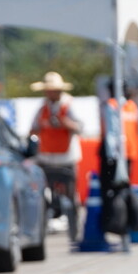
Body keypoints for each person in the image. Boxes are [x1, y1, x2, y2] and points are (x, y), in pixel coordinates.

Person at [29, 71, 83, 240]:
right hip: (46, 158)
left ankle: (75, 233)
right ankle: (43, 233)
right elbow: (32, 129)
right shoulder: (42, 108)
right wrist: (42, 126)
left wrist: (65, 123)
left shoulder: (69, 105)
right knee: (44, 199)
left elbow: (80, 127)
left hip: (67, 159)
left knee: (71, 197)